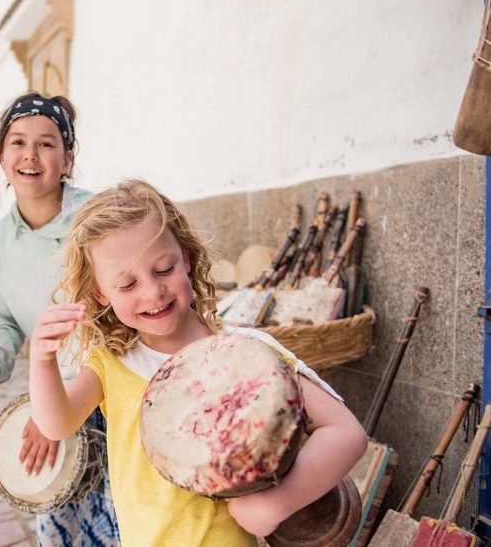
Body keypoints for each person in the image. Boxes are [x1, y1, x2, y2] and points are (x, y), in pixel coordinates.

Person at [28, 180, 368, 546]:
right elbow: (57, 424)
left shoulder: (245, 354)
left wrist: (276, 503)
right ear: (100, 293)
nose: (153, 292)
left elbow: (345, 432)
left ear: (186, 257)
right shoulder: (112, 364)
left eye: (164, 269)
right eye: (127, 285)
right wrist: (42, 361)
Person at [0, 93, 120, 545]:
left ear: (67, 160)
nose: (30, 155)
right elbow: (3, 324)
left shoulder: (101, 217)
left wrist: (58, 412)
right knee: (64, 528)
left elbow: (125, 313)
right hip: (57, 395)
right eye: (18, 142)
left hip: (116, 391)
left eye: (46, 144)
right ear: (2, 157)